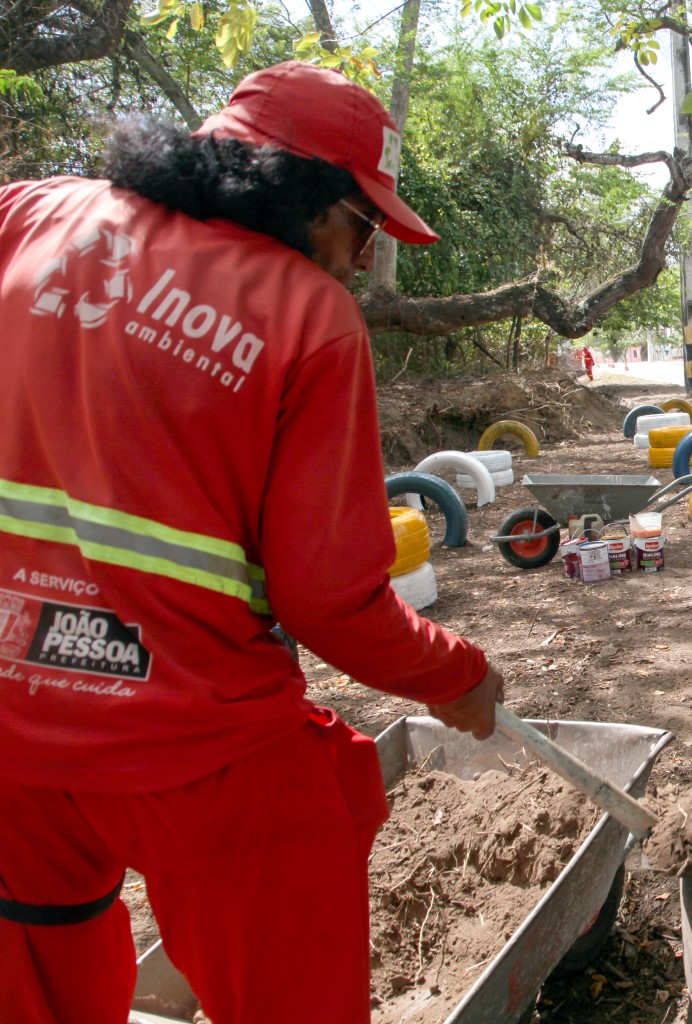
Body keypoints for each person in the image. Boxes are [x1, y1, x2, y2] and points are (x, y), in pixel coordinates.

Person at [0, 62, 504, 1024]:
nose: (361, 261)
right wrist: (456, 673)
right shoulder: (308, 319)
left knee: (38, 973)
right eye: (363, 227)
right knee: (298, 946)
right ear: (301, 194)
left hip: (11, 739)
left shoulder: (27, 215)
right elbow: (330, 600)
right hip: (194, 740)